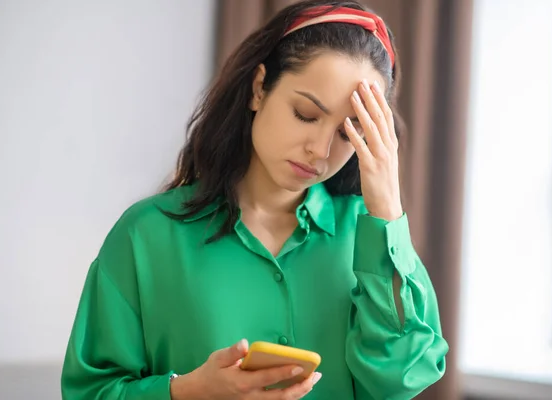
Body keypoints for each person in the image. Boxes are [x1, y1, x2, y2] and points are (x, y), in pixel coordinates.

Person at [61, 1, 449, 399]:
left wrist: (386, 211)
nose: (319, 149)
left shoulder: (368, 238)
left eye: (348, 135)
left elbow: (404, 376)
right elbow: (90, 391)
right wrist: (188, 391)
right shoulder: (145, 236)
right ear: (259, 88)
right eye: (305, 114)